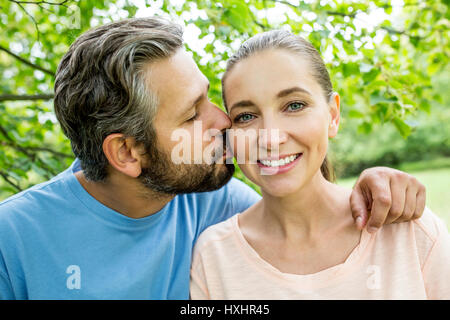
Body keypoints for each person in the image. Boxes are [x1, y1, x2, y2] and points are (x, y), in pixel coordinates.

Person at [0, 18, 426, 300]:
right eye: (192, 114)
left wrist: (379, 187)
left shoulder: (220, 207)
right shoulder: (13, 240)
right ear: (127, 153)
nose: (223, 121)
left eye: (209, 98)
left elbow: (303, 208)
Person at [190, 30, 450, 300]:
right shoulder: (214, 257)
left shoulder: (407, 231)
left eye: (294, 105)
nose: (270, 137)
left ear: (333, 115)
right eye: (246, 116)